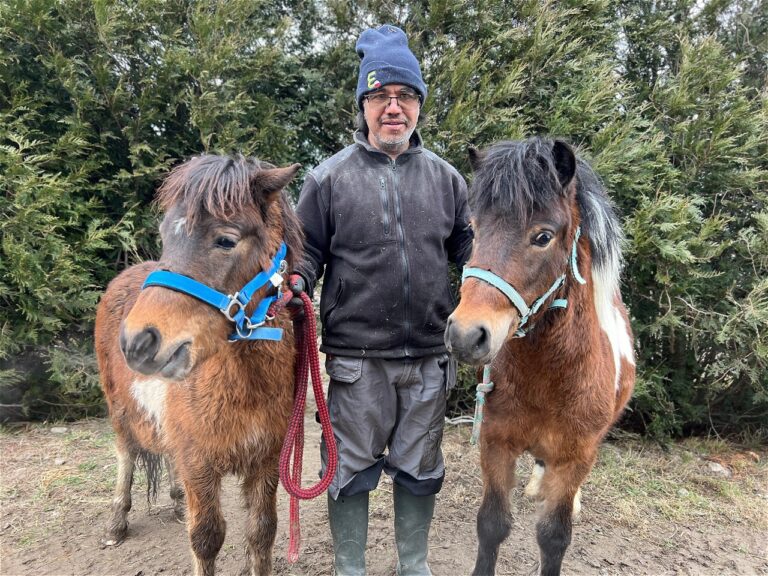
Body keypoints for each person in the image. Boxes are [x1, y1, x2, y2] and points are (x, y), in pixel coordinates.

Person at [291, 24, 473, 576]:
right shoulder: (328, 179)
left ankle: (412, 566)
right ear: (363, 106)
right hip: (357, 361)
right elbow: (306, 251)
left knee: (421, 469)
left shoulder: (447, 181)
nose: (393, 107)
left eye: (405, 95)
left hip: (429, 357)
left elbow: (472, 251)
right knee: (348, 471)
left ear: (419, 105)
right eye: (380, 96)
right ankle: (350, 569)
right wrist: (296, 281)